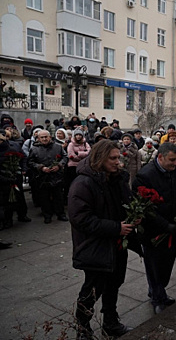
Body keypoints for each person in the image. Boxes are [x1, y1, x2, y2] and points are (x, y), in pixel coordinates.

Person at [68, 139, 140, 339]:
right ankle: (83, 329)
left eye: (119, 158)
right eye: (113, 158)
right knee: (91, 291)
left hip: (116, 245)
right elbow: (80, 218)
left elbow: (127, 202)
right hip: (95, 246)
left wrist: (135, 214)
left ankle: (110, 322)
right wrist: (115, 227)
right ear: (100, 158)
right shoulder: (83, 182)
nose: (118, 162)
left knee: (114, 284)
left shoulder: (116, 178)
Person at [133, 142, 176, 314]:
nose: (175, 163)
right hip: (152, 231)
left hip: (172, 227)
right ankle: (157, 297)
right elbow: (146, 209)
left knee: (167, 263)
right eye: (172, 160)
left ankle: (158, 289)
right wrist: (165, 225)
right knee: (154, 265)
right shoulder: (145, 176)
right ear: (160, 157)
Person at [28, 130, 69, 224]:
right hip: (42, 178)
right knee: (44, 198)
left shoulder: (58, 147)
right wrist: (40, 167)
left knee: (58, 197)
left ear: (50, 137)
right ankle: (47, 216)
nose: (44, 139)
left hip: (56, 176)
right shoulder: (34, 149)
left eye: (46, 137)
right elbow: (30, 162)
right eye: (42, 137)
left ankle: (61, 214)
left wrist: (59, 165)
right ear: (38, 138)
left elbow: (65, 157)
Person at [65, 129, 91, 202]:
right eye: (77, 135)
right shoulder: (71, 144)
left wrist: (78, 153)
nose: (78, 137)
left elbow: (89, 152)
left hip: (84, 165)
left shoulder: (85, 143)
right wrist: (82, 154)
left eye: (80, 135)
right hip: (73, 166)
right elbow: (71, 155)